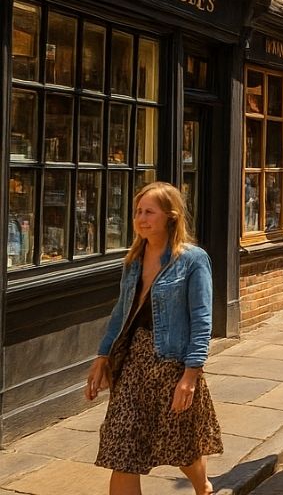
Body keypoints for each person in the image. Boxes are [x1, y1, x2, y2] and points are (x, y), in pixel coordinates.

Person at [86, 182, 222, 495]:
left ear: (170, 217)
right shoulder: (133, 259)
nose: (141, 218)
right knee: (121, 449)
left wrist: (190, 375)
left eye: (149, 212)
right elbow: (121, 312)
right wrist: (102, 355)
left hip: (171, 363)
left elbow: (202, 321)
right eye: (137, 212)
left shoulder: (192, 260)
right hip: (133, 362)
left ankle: (202, 487)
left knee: (180, 445)